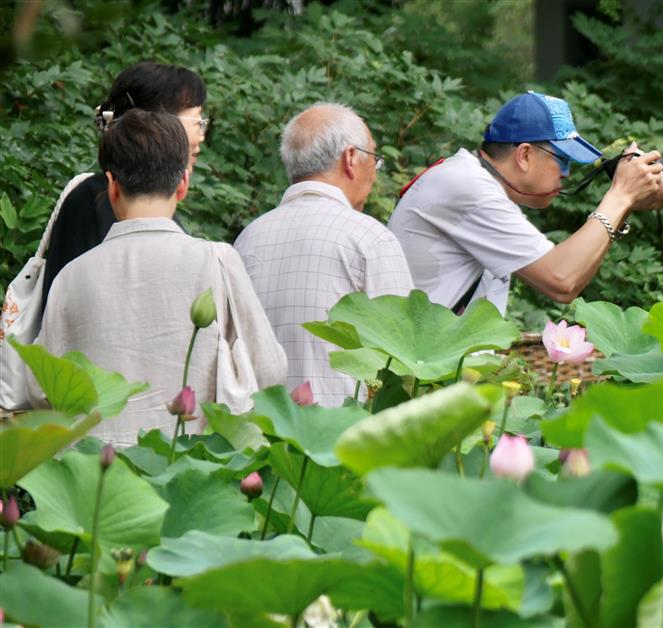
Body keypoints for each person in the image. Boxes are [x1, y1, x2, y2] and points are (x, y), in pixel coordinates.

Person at [32, 110, 286, 447]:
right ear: (183, 184)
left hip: (97, 476)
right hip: (195, 466)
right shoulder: (216, 260)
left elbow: (40, 388)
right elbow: (269, 368)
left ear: (112, 187)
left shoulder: (71, 276)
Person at [388, 90, 663, 315]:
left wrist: (625, 205)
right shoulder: (469, 188)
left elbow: (571, 281)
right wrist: (620, 195)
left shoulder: (470, 180)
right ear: (525, 155)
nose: (567, 174)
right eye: (563, 161)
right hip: (419, 380)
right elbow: (561, 279)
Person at [234, 103, 413, 407]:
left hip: (259, 438)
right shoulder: (370, 238)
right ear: (351, 158)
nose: (375, 172)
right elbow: (408, 355)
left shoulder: (247, 238)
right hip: (344, 438)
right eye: (374, 158)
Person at [40, 61, 209, 316]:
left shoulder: (142, 200)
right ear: (155, 121)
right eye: (198, 122)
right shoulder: (95, 199)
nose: (202, 137)